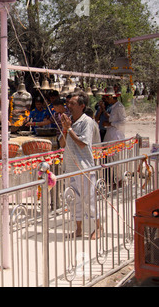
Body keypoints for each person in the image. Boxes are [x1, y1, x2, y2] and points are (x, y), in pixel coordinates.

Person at [59, 93, 101, 240]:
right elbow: (62, 143)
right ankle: (78, 228)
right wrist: (65, 129)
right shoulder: (70, 122)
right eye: (68, 103)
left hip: (84, 166)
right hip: (70, 167)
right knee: (74, 200)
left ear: (82, 106)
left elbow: (83, 143)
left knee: (89, 199)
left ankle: (98, 227)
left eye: (73, 104)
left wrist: (69, 129)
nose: (69, 106)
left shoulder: (86, 122)